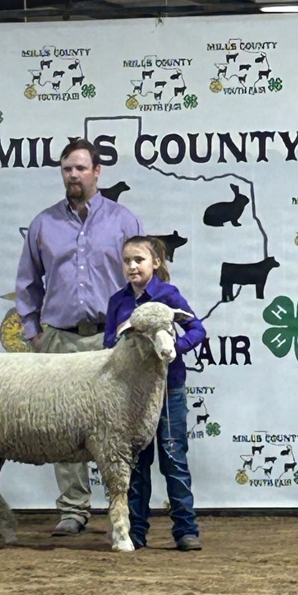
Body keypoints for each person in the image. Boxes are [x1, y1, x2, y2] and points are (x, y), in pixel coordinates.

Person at [15, 137, 144, 536]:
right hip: (60, 340)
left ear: (97, 172)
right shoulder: (43, 223)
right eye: (67, 168)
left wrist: (135, 331)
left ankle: (123, 511)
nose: (73, 175)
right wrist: (34, 333)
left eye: (80, 168)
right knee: (62, 427)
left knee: (116, 428)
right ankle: (73, 509)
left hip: (111, 341)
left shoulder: (124, 221)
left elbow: (143, 279)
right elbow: (26, 283)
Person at [104, 235, 206, 551]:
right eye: (127, 261)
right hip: (131, 396)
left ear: (155, 263)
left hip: (167, 390)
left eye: (139, 260)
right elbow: (108, 341)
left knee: (173, 458)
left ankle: (186, 530)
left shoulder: (167, 296)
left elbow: (197, 329)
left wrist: (174, 347)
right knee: (135, 462)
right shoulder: (118, 302)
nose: (132, 266)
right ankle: (136, 532)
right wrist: (127, 341)